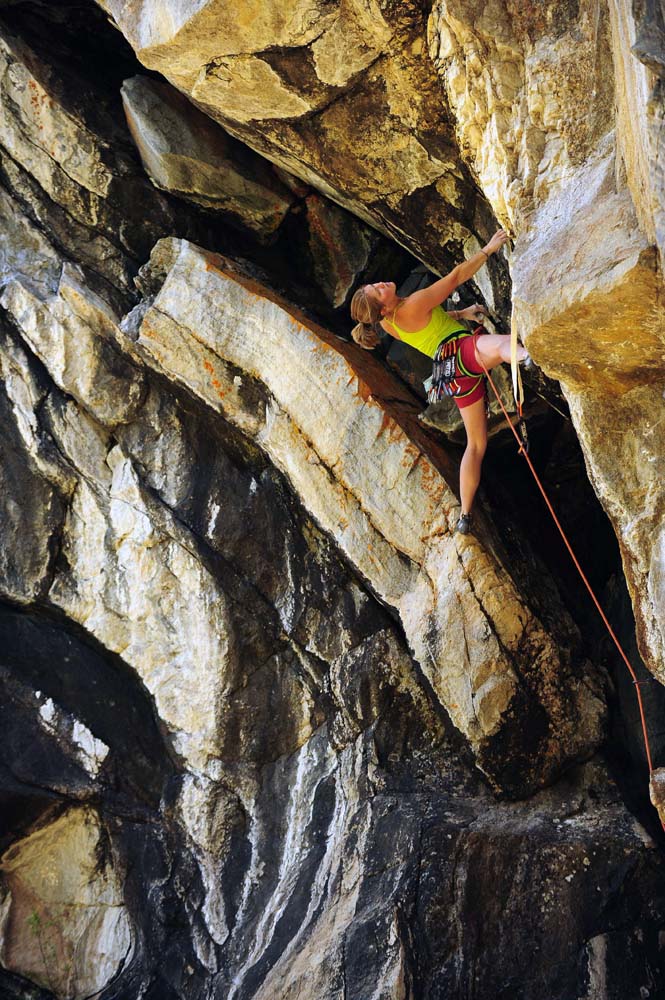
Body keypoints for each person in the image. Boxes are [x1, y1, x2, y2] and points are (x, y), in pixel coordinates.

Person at [350, 229, 528, 535]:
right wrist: (488, 249)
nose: (380, 284)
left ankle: (466, 515)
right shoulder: (412, 303)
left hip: (452, 374)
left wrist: (463, 313)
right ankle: (527, 356)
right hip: (463, 353)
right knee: (504, 345)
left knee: (476, 444)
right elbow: (457, 276)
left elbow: (431, 322)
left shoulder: (390, 324)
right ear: (383, 307)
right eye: (377, 290)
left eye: (373, 284)